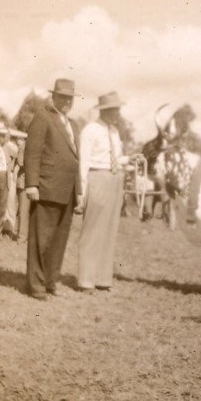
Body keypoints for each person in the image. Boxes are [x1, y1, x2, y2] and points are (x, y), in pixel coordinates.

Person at [24, 78, 82, 300]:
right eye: (62, 97)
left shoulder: (73, 124)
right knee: (41, 239)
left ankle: (50, 281)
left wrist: (78, 191)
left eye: (70, 98)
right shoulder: (43, 117)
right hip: (46, 188)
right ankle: (36, 285)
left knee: (59, 240)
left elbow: (76, 159)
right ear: (54, 97)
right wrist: (31, 184)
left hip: (67, 191)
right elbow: (32, 152)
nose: (66, 101)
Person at [78, 91, 142, 292]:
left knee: (109, 230)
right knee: (93, 230)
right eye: (113, 110)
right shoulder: (90, 130)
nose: (117, 113)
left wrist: (128, 160)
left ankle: (103, 279)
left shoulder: (114, 131)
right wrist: (82, 189)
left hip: (115, 179)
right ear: (104, 110)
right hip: (97, 178)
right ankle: (85, 280)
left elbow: (115, 157)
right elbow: (84, 162)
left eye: (118, 110)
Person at [15, 137, 29, 242]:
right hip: (24, 182)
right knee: (23, 210)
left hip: (36, 183)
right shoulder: (23, 145)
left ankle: (29, 236)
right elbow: (20, 162)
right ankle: (22, 236)